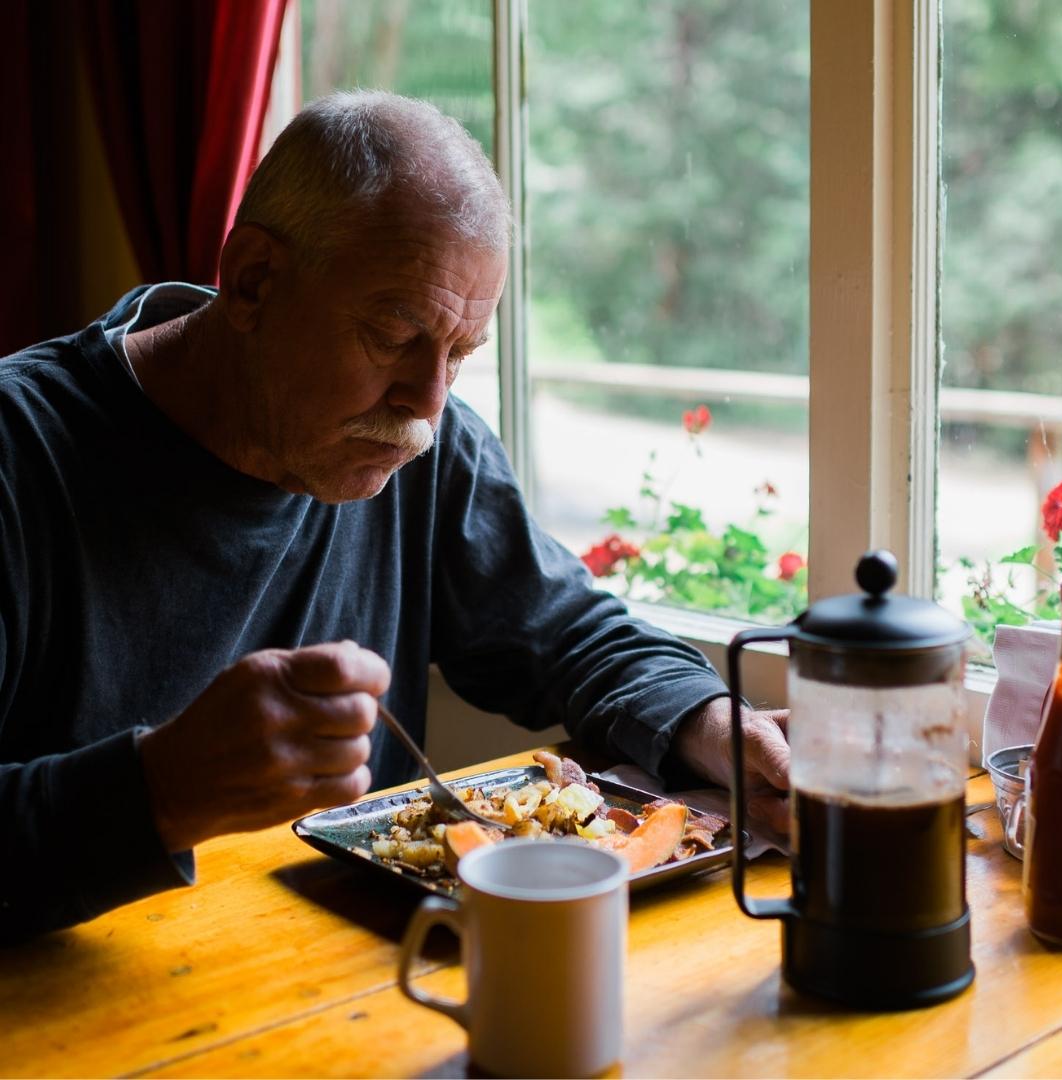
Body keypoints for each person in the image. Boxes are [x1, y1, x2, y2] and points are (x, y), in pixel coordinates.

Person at [0, 90, 789, 943]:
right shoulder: (21, 459)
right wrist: (156, 792)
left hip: (341, 983)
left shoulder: (423, 447)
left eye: (460, 354)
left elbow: (565, 632)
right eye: (394, 334)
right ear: (254, 278)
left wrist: (713, 725)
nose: (427, 403)